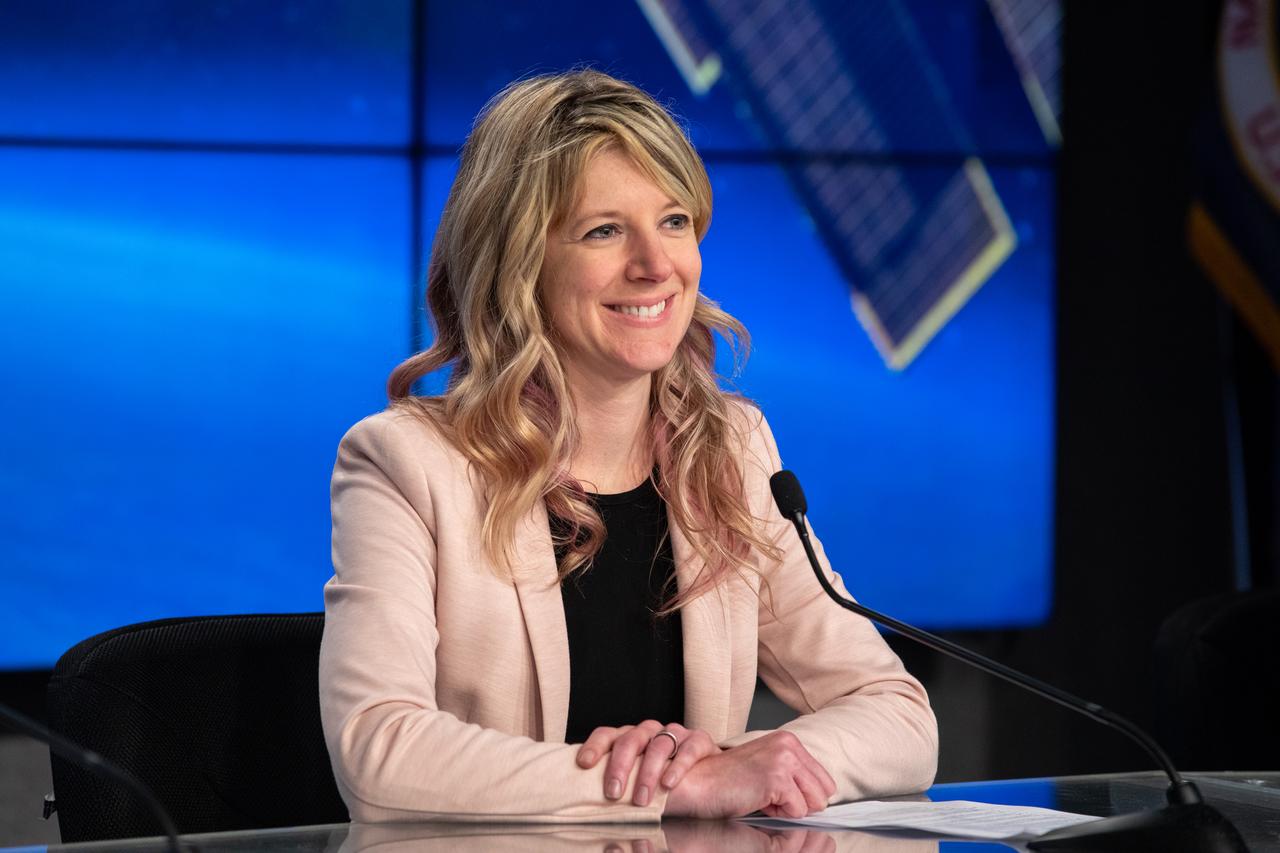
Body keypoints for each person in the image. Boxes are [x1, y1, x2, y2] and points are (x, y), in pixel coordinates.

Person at [318, 69, 937, 823]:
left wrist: (748, 762)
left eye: (674, 221)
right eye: (603, 230)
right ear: (518, 263)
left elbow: (899, 715)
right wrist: (679, 787)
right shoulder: (407, 463)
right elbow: (379, 753)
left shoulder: (731, 451)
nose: (655, 264)